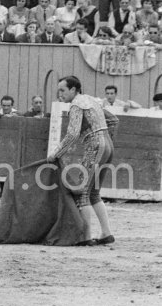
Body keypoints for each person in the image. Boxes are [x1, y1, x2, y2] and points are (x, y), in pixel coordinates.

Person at [47, 76, 118, 246]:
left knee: (83, 192)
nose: (60, 94)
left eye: (63, 90)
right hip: (107, 145)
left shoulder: (77, 104)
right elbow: (114, 120)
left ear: (73, 89)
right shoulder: (92, 100)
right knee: (93, 193)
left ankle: (86, 237)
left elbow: (72, 134)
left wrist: (56, 154)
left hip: (95, 147)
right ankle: (106, 233)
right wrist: (104, 137)